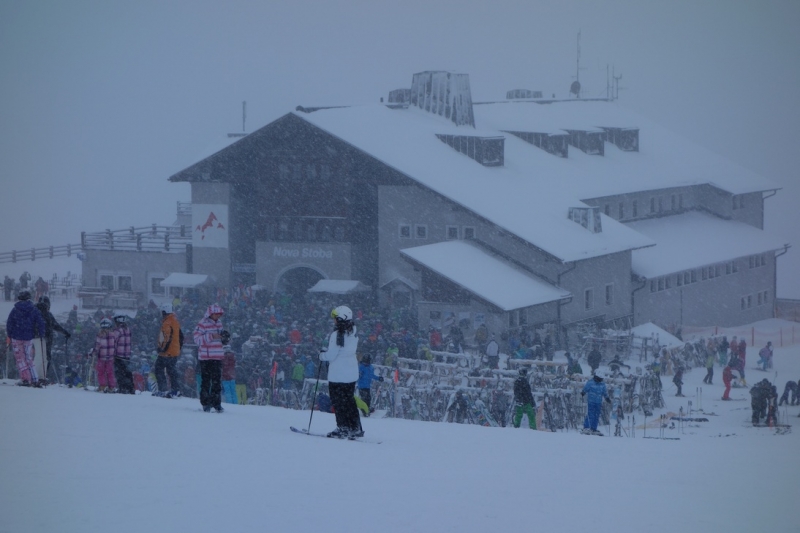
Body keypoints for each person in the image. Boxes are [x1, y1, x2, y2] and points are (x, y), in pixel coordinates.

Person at [319, 305, 362, 438]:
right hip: (351, 373)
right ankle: (355, 427)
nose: (334, 321)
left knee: (338, 402)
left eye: (335, 318)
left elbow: (332, 355)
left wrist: (322, 355)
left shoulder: (337, 335)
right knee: (349, 401)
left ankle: (343, 428)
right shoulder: (353, 331)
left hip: (338, 374)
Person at [5, 290, 46, 386]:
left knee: (20, 358)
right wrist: (41, 333)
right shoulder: (34, 309)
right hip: (28, 337)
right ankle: (35, 379)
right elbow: (40, 322)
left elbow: (9, 323)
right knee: (28, 357)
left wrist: (9, 334)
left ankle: (25, 379)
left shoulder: (15, 309)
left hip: (16, 336)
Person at [194, 304, 227, 412]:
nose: (218, 316)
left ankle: (216, 403)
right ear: (211, 314)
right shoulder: (202, 324)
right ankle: (205, 403)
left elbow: (221, 340)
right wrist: (211, 336)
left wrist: (224, 338)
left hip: (217, 357)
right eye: (216, 314)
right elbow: (197, 339)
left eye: (219, 314)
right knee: (206, 381)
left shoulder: (219, 324)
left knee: (217, 381)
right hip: (206, 357)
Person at [35, 296, 71, 383]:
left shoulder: (34, 313)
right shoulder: (48, 315)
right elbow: (55, 325)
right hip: (46, 338)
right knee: (46, 358)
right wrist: (65, 332)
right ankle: (41, 376)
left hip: (35, 338)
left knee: (38, 357)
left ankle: (35, 375)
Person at [154, 302, 182, 398]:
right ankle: (176, 390)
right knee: (172, 371)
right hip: (174, 352)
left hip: (166, 353)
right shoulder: (175, 321)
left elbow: (166, 338)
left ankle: (162, 389)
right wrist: (178, 348)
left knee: (158, 369)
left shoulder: (167, 323)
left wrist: (162, 349)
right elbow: (181, 336)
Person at [92, 318, 118, 393]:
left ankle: (103, 386)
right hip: (110, 358)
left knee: (101, 372)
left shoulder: (100, 335)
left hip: (102, 358)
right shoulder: (113, 335)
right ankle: (111, 387)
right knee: (110, 372)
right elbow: (115, 345)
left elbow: (97, 346)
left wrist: (93, 352)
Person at [113, 315, 135, 394]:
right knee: (127, 372)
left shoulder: (117, 330)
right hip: (127, 356)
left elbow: (113, 342)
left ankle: (122, 388)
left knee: (120, 373)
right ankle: (131, 388)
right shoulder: (128, 329)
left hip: (118, 356)